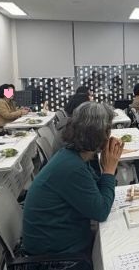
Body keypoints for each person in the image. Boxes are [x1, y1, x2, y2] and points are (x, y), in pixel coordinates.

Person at [23, 102, 122, 257]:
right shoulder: (72, 168)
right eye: (108, 130)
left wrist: (106, 169)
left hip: (58, 237)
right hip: (56, 254)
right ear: (100, 134)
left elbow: (95, 190)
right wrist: (109, 171)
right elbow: (101, 212)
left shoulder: (71, 155)